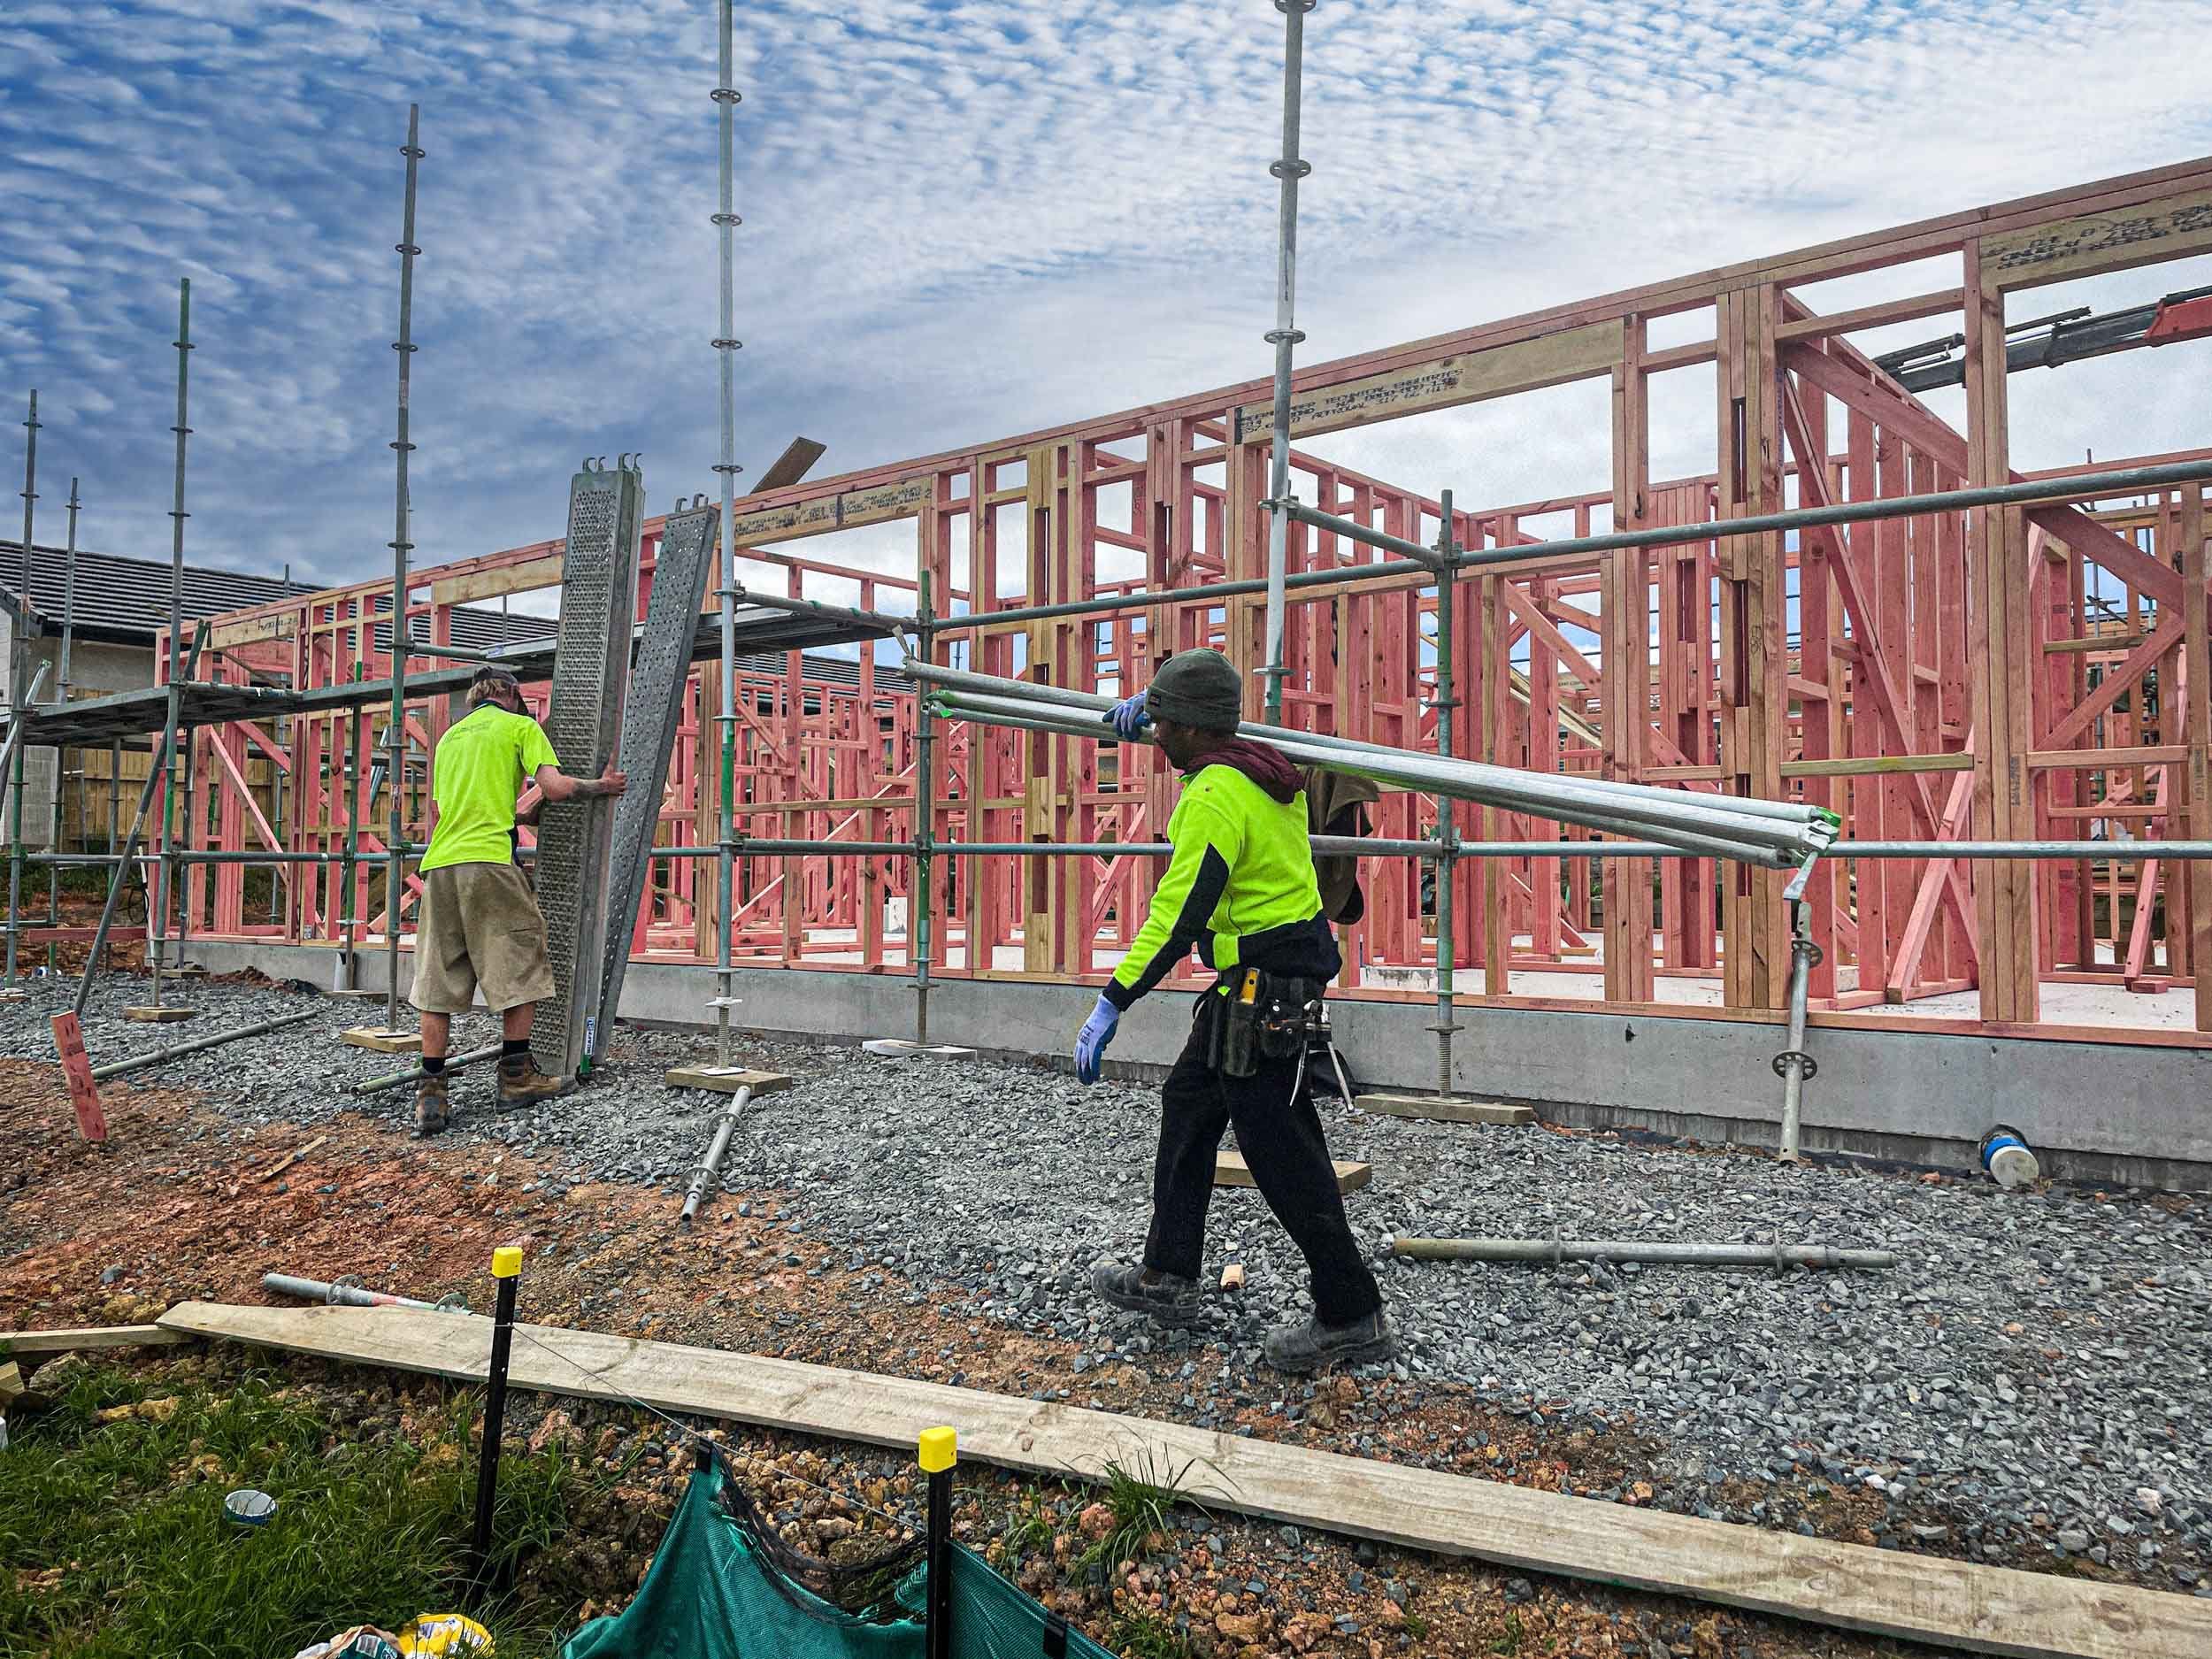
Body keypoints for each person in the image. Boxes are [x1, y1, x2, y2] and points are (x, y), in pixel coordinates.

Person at [1074, 649, 1394, 1374]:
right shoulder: (1260, 767)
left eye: (1162, 723)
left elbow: (1177, 915)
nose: (1152, 734)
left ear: (1193, 729)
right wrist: (1151, 703)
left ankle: (1352, 1313)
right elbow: (1198, 729)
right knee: (1189, 1102)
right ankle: (1168, 1274)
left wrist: (1112, 998)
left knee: (1282, 1152)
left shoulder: (1216, 794)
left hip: (1264, 987)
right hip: (1259, 980)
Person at [410, 664, 626, 1137]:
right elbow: (556, 788)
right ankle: (515, 1078)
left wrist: (506, 810)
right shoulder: (520, 727)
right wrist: (602, 787)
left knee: (437, 978)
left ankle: (431, 1092)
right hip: (490, 861)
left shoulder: (448, 739)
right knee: (521, 962)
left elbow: (443, 810)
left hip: (441, 865)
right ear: (511, 694)